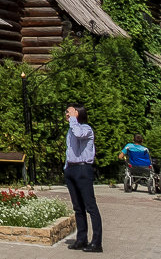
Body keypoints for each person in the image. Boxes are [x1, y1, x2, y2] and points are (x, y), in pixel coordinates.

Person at [64, 104, 102, 252]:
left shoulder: (86, 128)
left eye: (69, 112)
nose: (67, 115)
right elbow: (70, 149)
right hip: (71, 169)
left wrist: (73, 119)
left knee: (90, 207)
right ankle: (81, 239)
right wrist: (66, 168)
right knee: (78, 207)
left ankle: (97, 243)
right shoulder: (71, 129)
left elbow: (79, 134)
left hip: (83, 169)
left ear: (77, 114)